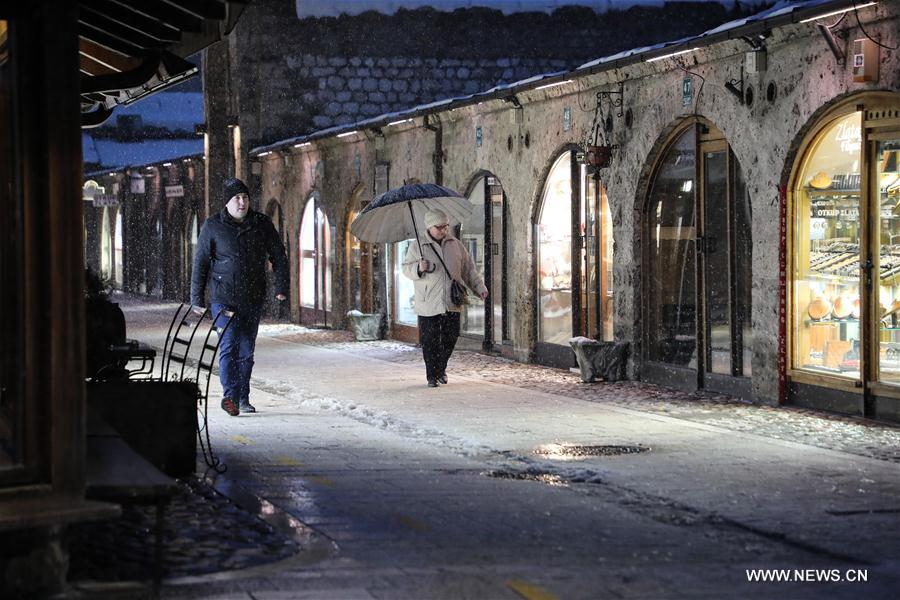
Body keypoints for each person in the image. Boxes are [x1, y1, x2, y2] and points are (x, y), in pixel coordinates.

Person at [191, 177, 289, 416]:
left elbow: (278, 255)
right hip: (223, 298)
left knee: (246, 351)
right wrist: (196, 298)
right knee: (229, 345)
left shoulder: (261, 224)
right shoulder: (213, 226)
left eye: (245, 197)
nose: (242, 202)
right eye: (237, 198)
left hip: (252, 297)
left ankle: (243, 397)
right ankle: (230, 397)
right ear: (227, 202)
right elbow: (201, 262)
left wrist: (281, 287)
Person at [402, 209, 488, 387]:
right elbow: (405, 268)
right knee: (430, 340)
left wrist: (479, 287)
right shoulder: (418, 246)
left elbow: (468, 270)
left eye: (446, 226)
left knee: (451, 336)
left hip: (451, 299)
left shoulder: (455, 244)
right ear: (429, 227)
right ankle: (431, 376)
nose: (443, 230)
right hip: (428, 301)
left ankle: (440, 368)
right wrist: (418, 268)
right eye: (439, 227)